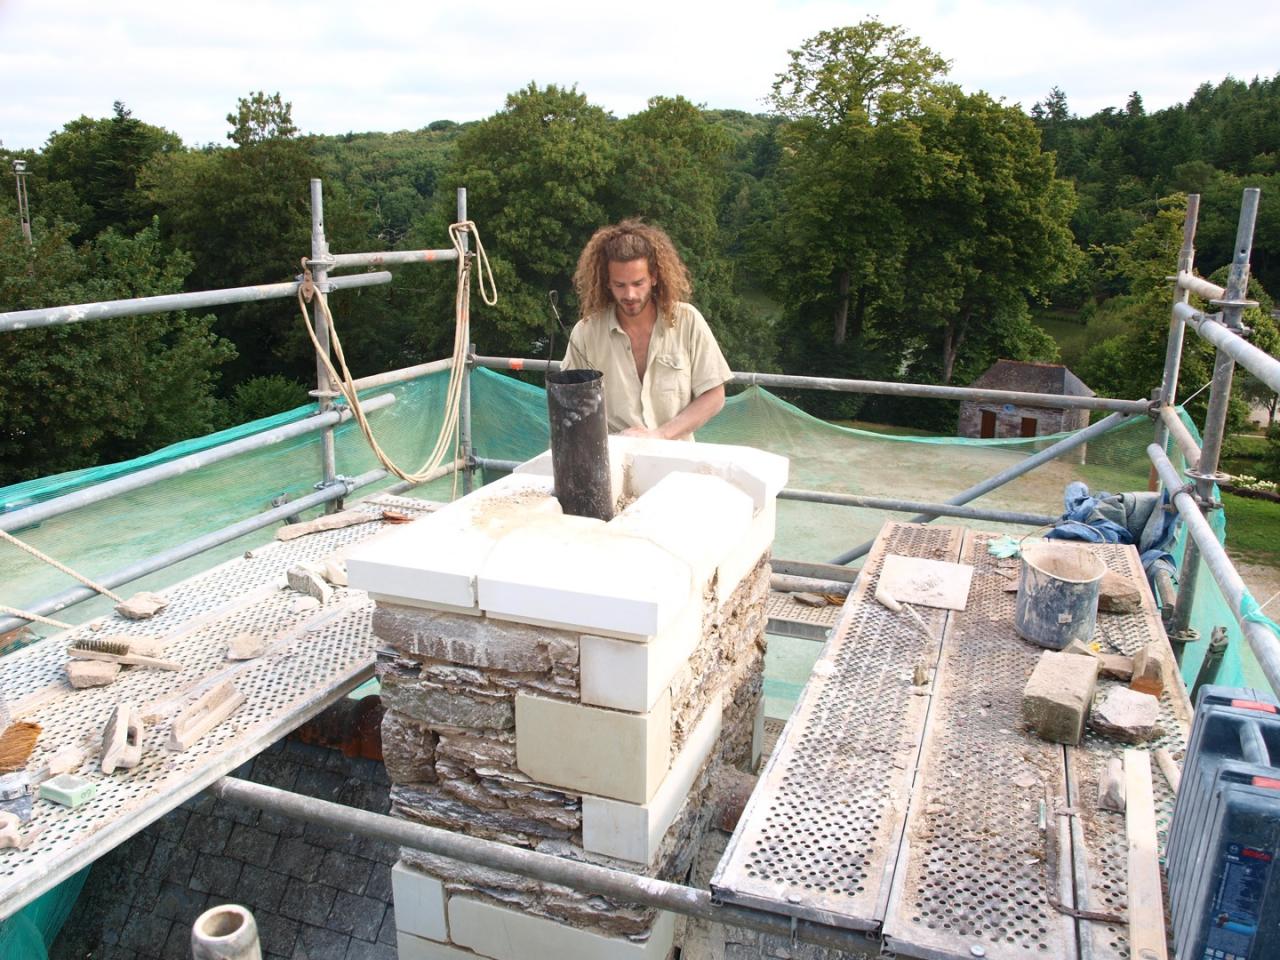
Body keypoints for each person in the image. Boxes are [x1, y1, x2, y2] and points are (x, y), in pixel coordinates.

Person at [561, 220, 732, 440]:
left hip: (676, 462)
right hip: (611, 459)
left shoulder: (688, 321)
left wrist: (660, 435)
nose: (630, 295)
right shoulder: (585, 333)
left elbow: (715, 395)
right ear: (607, 283)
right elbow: (568, 405)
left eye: (638, 283)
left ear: (654, 277)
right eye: (620, 285)